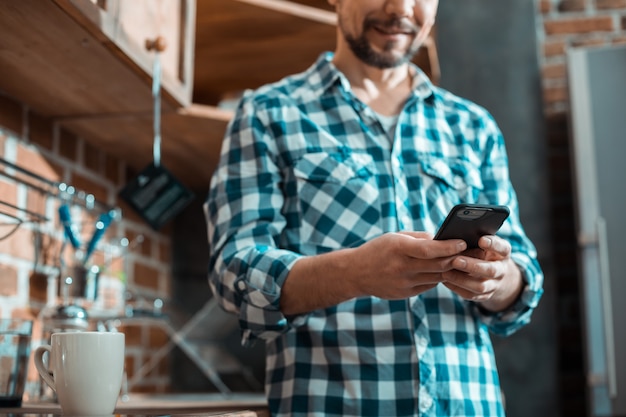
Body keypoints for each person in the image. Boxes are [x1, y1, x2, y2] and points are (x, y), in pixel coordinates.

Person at [205, 0, 544, 415]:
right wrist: (355, 273)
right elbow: (232, 274)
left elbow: (523, 278)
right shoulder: (266, 114)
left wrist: (497, 277)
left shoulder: (474, 127)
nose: (401, 8)